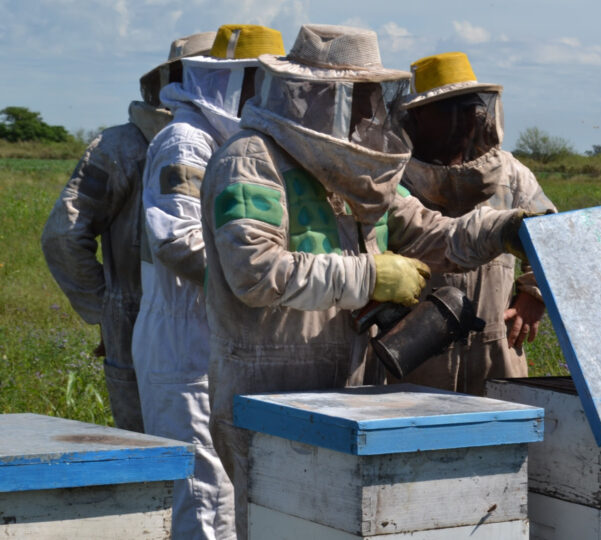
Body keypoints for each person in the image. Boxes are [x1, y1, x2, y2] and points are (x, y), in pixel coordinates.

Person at [199, 25, 533, 539]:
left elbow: (433, 234)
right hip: (267, 390)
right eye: (360, 95)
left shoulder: (357, 173)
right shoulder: (250, 161)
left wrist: (504, 230)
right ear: (319, 95)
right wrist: (371, 274)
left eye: (374, 95)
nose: (370, 110)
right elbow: (255, 271)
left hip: (352, 390)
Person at [133, 24, 284, 539]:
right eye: (261, 84)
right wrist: (256, 279)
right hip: (184, 340)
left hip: (225, 336)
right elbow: (177, 239)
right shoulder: (185, 140)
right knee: (204, 501)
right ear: (231, 81)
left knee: (236, 497)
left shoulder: (239, 144)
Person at [40, 31, 216, 433]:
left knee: (161, 456)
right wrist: (104, 308)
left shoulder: (121, 145)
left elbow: (63, 235)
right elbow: (63, 236)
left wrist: (106, 311)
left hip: (150, 324)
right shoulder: (121, 146)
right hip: (177, 320)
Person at [391, 51, 556, 395]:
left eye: (471, 107)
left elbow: (552, 236)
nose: (467, 118)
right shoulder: (393, 179)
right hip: (414, 354)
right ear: (418, 116)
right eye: (450, 109)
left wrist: (534, 295)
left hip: (497, 348)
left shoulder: (511, 175)